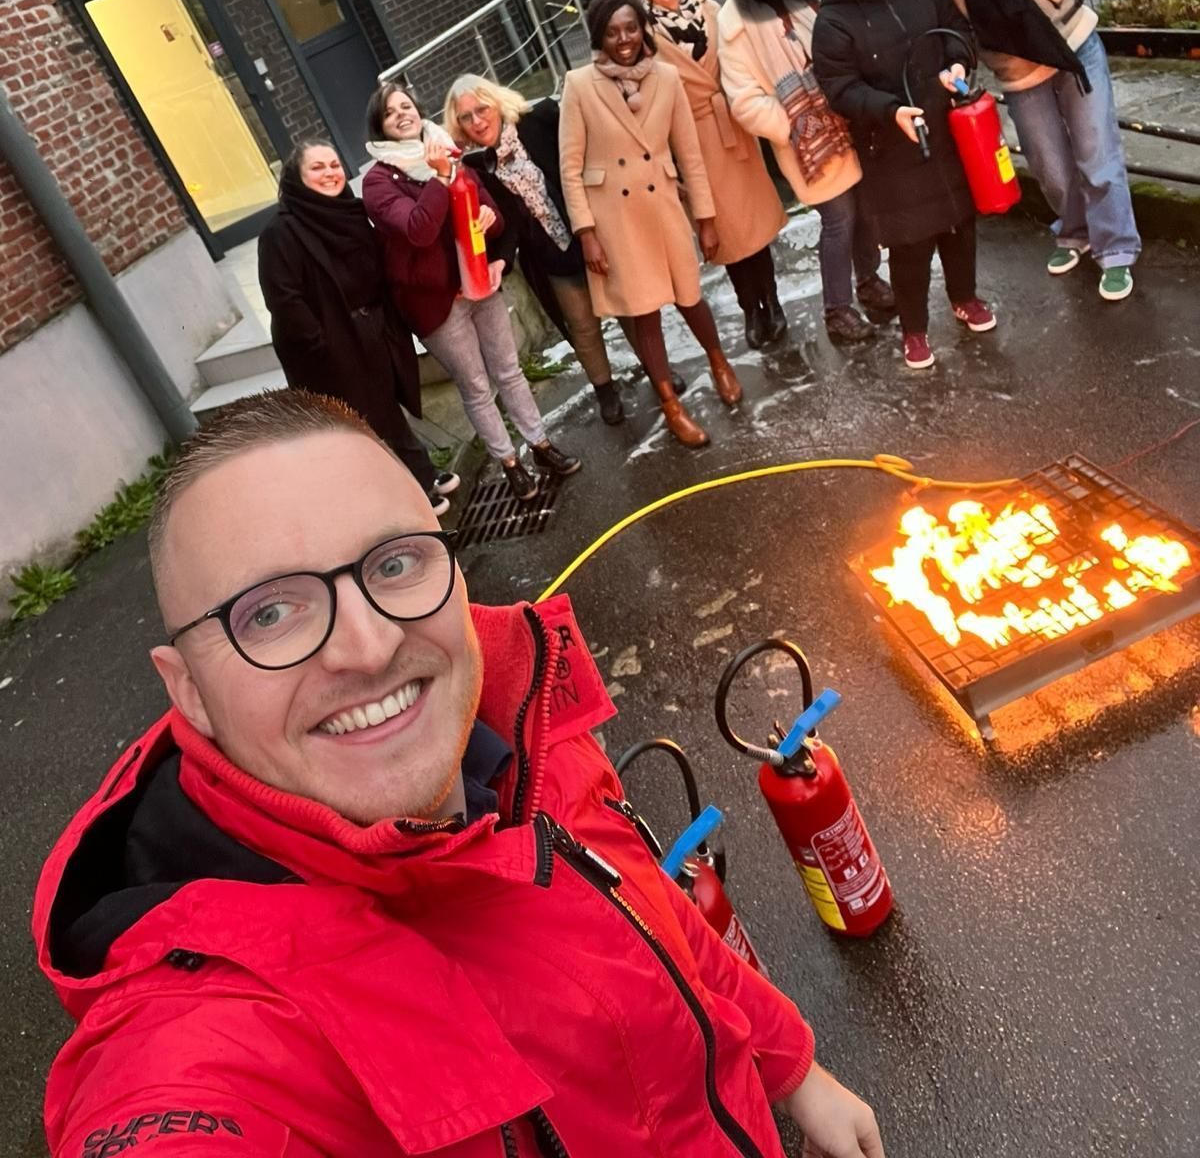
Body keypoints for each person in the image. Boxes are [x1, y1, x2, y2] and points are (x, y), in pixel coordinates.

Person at [35, 390, 885, 1158]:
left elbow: (655, 916)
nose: (368, 648)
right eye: (269, 612)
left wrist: (795, 1068)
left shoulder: (521, 729)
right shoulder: (204, 1051)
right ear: (188, 691)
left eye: (395, 563)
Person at [900, 0, 1140, 301]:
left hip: (1069, 47)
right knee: (1049, 166)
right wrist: (956, 62)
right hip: (1017, 71)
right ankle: (1075, 232)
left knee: (1097, 152)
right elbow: (958, 30)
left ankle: (1116, 249)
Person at [362, 80, 579, 501]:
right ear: (380, 125)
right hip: (435, 303)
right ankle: (510, 463)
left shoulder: (449, 153)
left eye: (406, 105)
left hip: (479, 283)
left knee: (509, 371)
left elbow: (495, 217)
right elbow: (419, 230)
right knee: (477, 386)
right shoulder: (378, 182)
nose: (402, 114)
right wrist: (441, 179)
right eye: (391, 112)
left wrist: (485, 218)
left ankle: (540, 445)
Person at [812, 0, 995, 371]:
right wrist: (888, 110)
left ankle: (965, 297)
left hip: (944, 125)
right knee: (910, 242)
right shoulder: (833, 21)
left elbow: (957, 30)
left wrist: (957, 63)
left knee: (959, 223)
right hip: (888, 144)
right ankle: (914, 329)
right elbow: (840, 87)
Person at [559, 0, 742, 449]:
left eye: (631, 28)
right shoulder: (579, 84)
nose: (623, 39)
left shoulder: (667, 76)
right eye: (612, 31)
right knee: (645, 315)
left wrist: (706, 216)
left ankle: (719, 362)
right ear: (599, 36)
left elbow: (690, 153)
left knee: (689, 296)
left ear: (643, 29)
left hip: (661, 203)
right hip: (614, 218)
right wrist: (586, 233)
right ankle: (671, 406)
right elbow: (570, 166)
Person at [717, 0, 897, 347]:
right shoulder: (733, 28)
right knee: (839, 220)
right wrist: (795, 126)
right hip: (807, 143)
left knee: (867, 209)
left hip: (848, 116)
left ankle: (869, 281)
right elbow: (743, 101)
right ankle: (837, 309)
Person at [256, 142, 459, 516]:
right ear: (298, 177)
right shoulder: (280, 232)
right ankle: (404, 495)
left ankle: (420, 473)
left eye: (334, 164)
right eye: (317, 167)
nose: (331, 172)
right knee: (362, 425)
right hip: (332, 345)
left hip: (374, 329)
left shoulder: (349, 212)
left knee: (386, 409)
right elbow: (284, 300)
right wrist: (322, 344)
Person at [629, 0, 789, 351]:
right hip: (694, 137)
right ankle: (750, 308)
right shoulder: (644, 36)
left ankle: (772, 302)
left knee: (754, 223)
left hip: (734, 123)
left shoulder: (713, 10)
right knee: (725, 230)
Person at [442, 75, 628, 426]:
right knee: (581, 325)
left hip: (592, 231)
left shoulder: (540, 119)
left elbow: (585, 154)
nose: (477, 121)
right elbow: (506, 222)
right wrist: (500, 259)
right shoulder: (479, 165)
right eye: (466, 117)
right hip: (548, 254)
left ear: (497, 102)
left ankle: (656, 369)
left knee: (626, 305)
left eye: (481, 109)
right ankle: (606, 391)